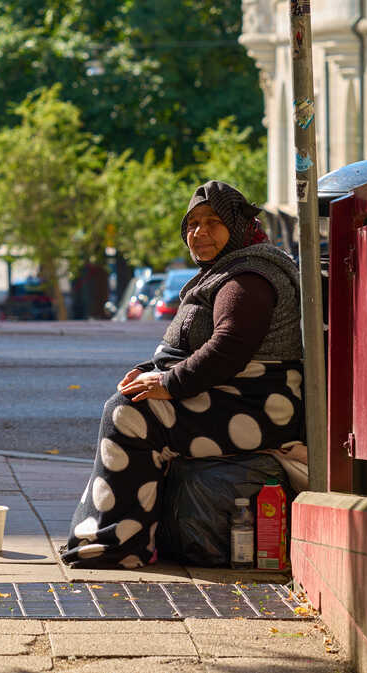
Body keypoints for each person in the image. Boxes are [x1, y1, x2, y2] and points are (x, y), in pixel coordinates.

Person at [59, 180, 303, 569]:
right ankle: (120, 537)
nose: (199, 232)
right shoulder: (227, 270)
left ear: (238, 227)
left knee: (129, 414)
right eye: (191, 224)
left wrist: (167, 383)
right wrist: (151, 371)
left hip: (260, 405)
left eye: (212, 222)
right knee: (131, 403)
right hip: (233, 395)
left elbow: (230, 347)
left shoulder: (249, 277)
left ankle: (115, 546)